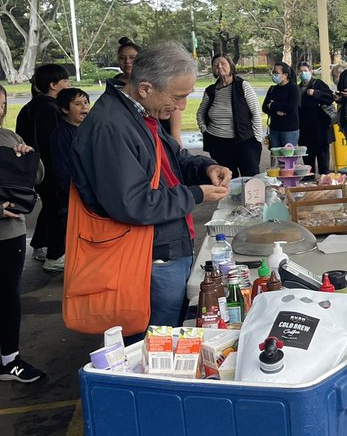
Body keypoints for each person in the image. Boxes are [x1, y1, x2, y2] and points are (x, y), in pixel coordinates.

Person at [72, 43, 230, 333]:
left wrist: (204, 168)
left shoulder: (140, 115)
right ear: (145, 88)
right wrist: (196, 194)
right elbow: (133, 203)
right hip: (149, 256)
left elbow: (173, 158)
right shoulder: (112, 127)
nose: (182, 106)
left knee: (169, 334)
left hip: (166, 247)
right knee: (156, 340)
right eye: (178, 97)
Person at [0, 83, 46, 383]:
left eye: (1, 102)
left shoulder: (10, 137)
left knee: (7, 296)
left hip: (10, 234)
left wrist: (28, 157)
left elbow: (38, 176)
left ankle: (9, 359)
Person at [16, 63, 69, 267]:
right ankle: (55, 256)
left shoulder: (32, 105)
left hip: (36, 169)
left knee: (49, 207)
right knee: (58, 211)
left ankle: (40, 244)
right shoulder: (50, 108)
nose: (68, 84)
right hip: (49, 169)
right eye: (65, 81)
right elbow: (49, 144)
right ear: (54, 85)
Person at [196, 54, 262, 177]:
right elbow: (200, 113)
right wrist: (205, 131)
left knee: (251, 179)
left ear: (230, 66)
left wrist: (257, 139)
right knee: (227, 181)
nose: (219, 66)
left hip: (245, 142)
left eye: (223, 63)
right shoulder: (210, 90)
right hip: (218, 144)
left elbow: (256, 113)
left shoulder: (243, 86)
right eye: (216, 65)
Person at [112, 37, 185, 146]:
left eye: (132, 58)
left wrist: (176, 138)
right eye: (122, 58)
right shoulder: (113, 85)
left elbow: (175, 107)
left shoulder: (156, 80)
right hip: (132, 137)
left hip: (159, 134)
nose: (127, 61)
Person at [49, 87, 90, 220]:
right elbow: (63, 171)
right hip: (74, 199)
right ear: (65, 109)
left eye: (86, 102)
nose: (84, 106)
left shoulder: (90, 129)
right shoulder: (61, 135)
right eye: (78, 104)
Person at [297, 61, 335, 175]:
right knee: (308, 157)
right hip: (305, 129)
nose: (303, 73)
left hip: (321, 127)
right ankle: (309, 177)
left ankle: (325, 178)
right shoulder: (297, 88)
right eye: (300, 71)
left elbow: (330, 97)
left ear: (310, 71)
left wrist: (316, 93)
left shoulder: (318, 84)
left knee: (323, 156)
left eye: (305, 71)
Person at [262, 62, 300, 148]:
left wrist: (272, 105)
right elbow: (264, 107)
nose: (273, 75)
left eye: (276, 72)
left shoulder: (293, 88)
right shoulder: (272, 89)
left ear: (285, 75)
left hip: (289, 129)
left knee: (288, 157)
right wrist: (276, 112)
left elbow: (291, 107)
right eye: (273, 72)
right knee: (276, 156)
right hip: (274, 128)